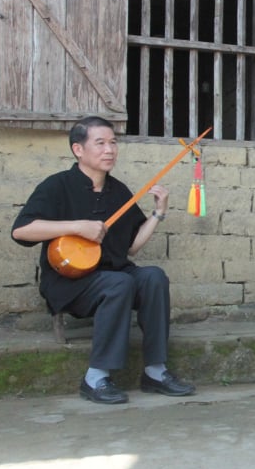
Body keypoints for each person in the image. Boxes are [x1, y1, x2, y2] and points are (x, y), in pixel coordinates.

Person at [11, 116, 195, 404]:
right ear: (78, 150)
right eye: (100, 143)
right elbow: (21, 230)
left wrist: (158, 213)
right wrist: (76, 226)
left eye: (113, 143)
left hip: (114, 276)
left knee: (153, 276)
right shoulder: (57, 186)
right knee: (119, 283)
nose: (109, 150)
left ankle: (155, 371)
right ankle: (95, 378)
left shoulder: (118, 191)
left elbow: (131, 248)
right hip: (70, 283)